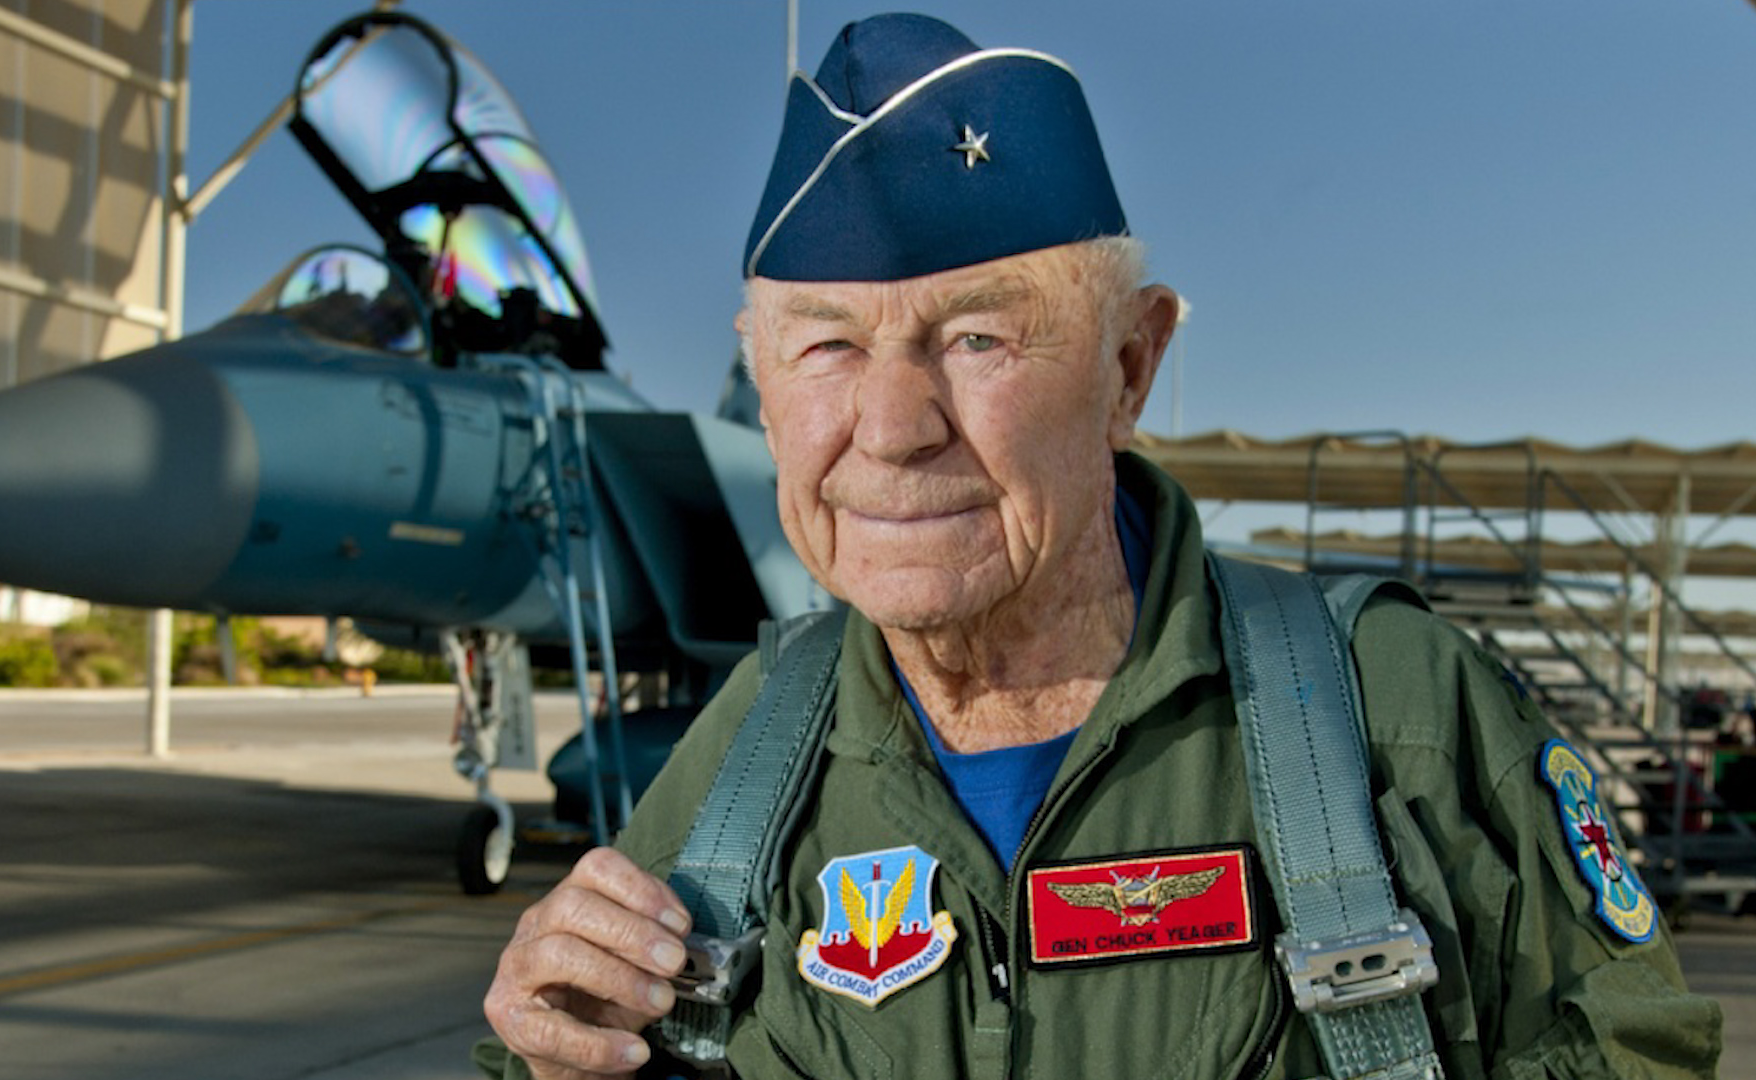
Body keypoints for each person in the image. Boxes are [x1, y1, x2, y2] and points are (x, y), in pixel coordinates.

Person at [480, 14, 1721, 1078]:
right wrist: (556, 1052)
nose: (894, 429)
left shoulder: (1393, 708)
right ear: (761, 378)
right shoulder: (752, 745)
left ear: (1131, 368)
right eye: (826, 346)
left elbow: (1632, 1044)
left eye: (978, 338)